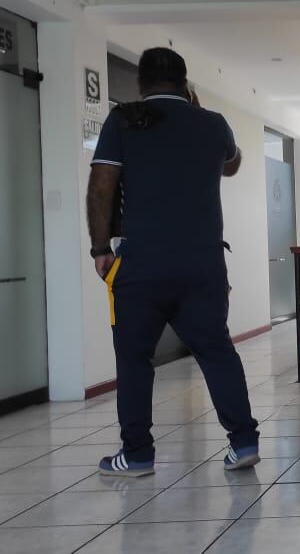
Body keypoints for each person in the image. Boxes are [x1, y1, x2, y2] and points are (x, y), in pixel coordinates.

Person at [86, 47, 259, 477]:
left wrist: (100, 247)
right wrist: (197, 114)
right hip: (203, 262)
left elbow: (102, 186)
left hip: (141, 262)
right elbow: (232, 165)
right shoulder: (213, 124)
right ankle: (243, 442)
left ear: (141, 84)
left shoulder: (123, 120)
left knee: (133, 358)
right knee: (216, 350)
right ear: (186, 82)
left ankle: (139, 454)